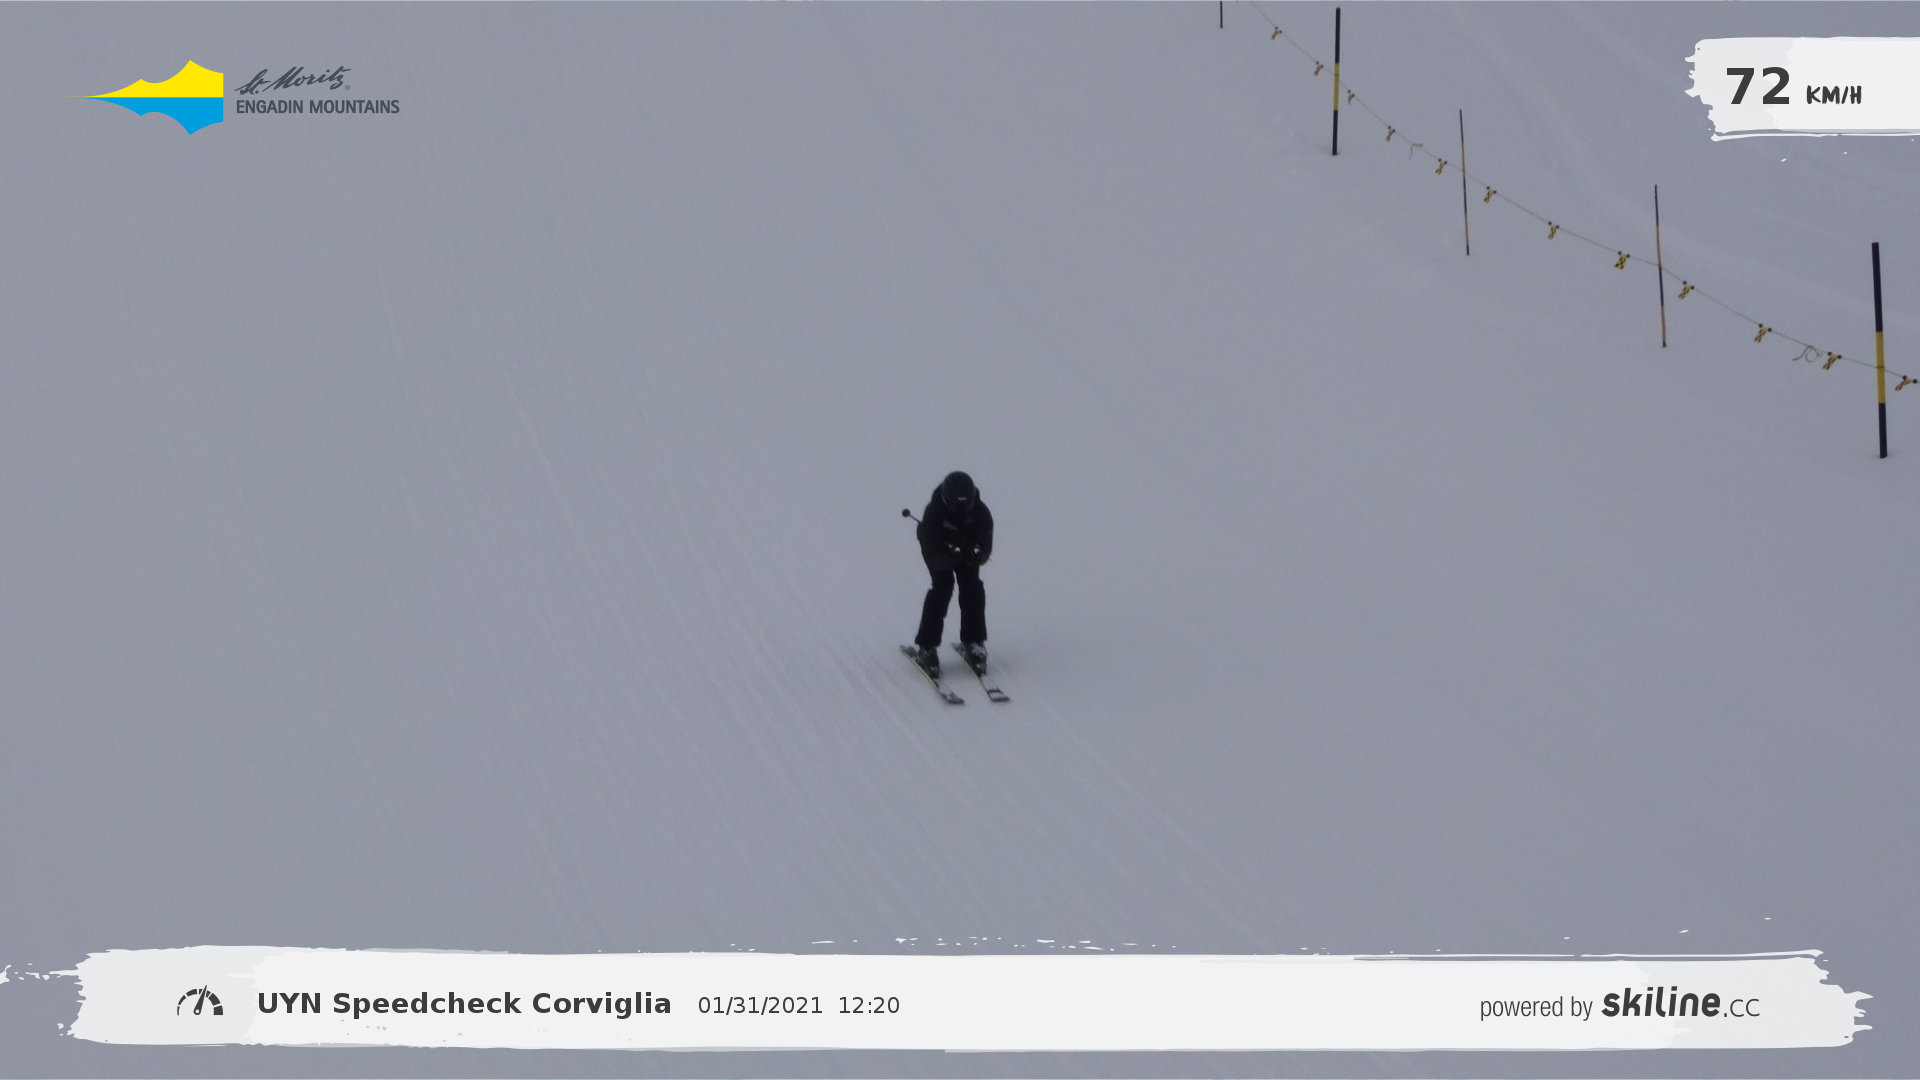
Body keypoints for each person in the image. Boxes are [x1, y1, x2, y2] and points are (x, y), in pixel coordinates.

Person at [910, 471, 993, 676]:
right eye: (956, 506)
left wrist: (975, 555)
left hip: (966, 552)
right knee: (942, 587)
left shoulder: (981, 513)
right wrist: (943, 558)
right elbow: (930, 547)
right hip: (938, 550)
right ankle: (927, 646)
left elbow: (985, 547)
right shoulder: (933, 512)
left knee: (972, 587)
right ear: (947, 501)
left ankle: (974, 642)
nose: (961, 510)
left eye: (966, 505)